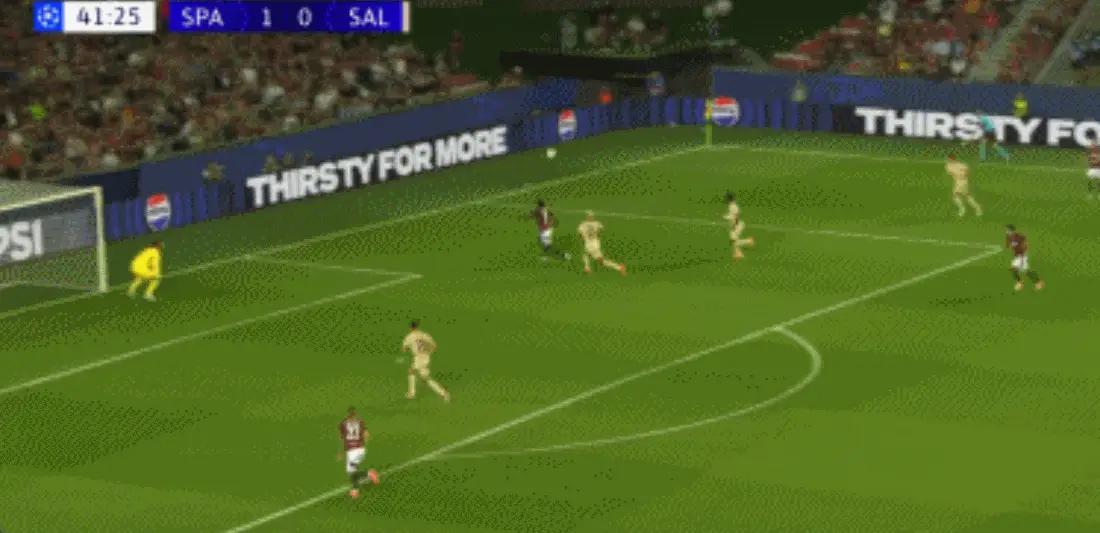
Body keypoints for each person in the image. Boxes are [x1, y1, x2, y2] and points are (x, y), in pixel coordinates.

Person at [402, 320, 450, 402]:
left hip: (418, 358)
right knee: (425, 378)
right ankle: (444, 393)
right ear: (417, 326)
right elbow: (434, 346)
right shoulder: (424, 335)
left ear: (410, 328)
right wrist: (429, 352)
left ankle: (412, 393)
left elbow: (404, 349)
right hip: (426, 357)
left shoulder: (409, 336)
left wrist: (409, 348)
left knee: (411, 372)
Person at [338, 407, 379, 499]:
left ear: (347, 415)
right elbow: (367, 435)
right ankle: (369, 474)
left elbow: (342, 439)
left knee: (352, 472)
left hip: (353, 451)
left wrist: (341, 452)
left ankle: (355, 489)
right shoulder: (360, 422)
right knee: (352, 471)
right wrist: (363, 444)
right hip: (359, 450)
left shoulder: (343, 424)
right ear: (355, 414)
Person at [577, 211, 626, 275]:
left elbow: (580, 234)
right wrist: (596, 236)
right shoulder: (597, 223)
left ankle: (587, 268)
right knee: (601, 261)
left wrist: (584, 238)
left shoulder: (583, 224)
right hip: (596, 243)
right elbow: (600, 231)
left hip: (589, 243)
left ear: (587, 217)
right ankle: (620, 268)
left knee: (586, 254)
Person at [1005, 225, 1044, 292]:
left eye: (1008, 230)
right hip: (1017, 256)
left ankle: (1025, 283)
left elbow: (1025, 246)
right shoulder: (1009, 237)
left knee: (1020, 270)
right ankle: (1036, 282)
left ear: (1012, 231)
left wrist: (1022, 257)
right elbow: (1008, 245)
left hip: (1022, 256)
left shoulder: (1020, 237)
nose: (1006, 231)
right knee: (1022, 271)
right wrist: (1011, 245)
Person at [724, 192, 756, 260]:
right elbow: (733, 215)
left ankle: (749, 241)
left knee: (734, 242)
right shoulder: (732, 205)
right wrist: (728, 217)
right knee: (733, 241)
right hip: (735, 224)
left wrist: (734, 225)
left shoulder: (733, 206)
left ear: (729, 199)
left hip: (737, 225)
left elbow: (737, 215)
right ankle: (738, 253)